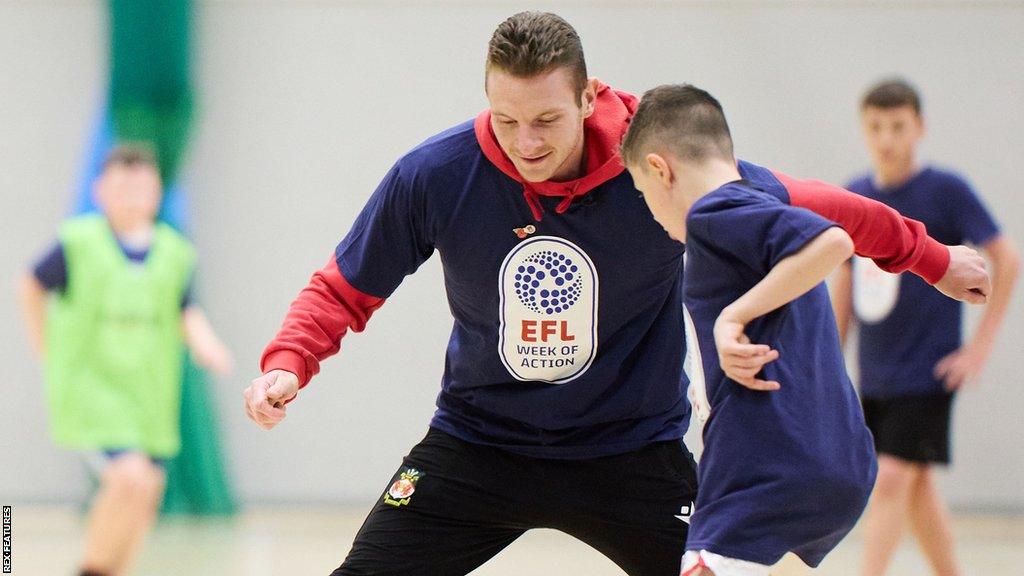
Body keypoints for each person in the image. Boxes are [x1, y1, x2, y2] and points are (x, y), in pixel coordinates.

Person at [243, 13, 990, 576]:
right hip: (478, 444)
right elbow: (344, 286)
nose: (525, 142)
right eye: (505, 121)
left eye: (546, 120)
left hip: (632, 452)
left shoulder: (654, 165)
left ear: (588, 96)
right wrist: (289, 361)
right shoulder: (436, 175)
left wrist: (927, 257)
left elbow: (818, 205)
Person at [830, 78, 1020, 576]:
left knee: (892, 479)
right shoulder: (857, 195)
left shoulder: (946, 191)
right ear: (863, 129)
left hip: (927, 371)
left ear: (919, 128)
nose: (887, 138)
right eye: (875, 127)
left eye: (898, 126)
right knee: (915, 487)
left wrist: (978, 347)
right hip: (875, 374)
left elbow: (1006, 258)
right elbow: (845, 283)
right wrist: (829, 363)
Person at [20, 144, 233, 576]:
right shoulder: (78, 243)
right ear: (100, 191)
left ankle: (116, 568)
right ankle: (91, 567)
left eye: (142, 186)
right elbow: (31, 285)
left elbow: (184, 309)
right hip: (94, 387)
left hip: (148, 392)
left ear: (157, 193)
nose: (133, 195)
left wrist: (205, 342)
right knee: (128, 477)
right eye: (122, 186)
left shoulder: (174, 252)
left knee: (148, 487)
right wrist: (42, 343)